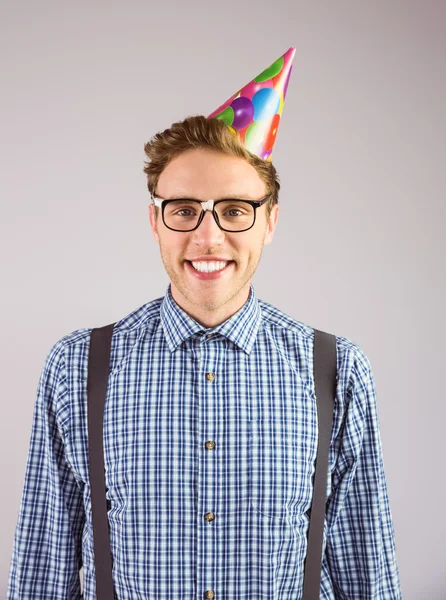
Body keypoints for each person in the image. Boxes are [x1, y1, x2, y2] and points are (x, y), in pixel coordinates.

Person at [6, 48, 402, 599]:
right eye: (184, 208)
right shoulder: (76, 367)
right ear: (155, 220)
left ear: (270, 222)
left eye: (235, 210)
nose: (208, 236)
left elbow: (369, 578)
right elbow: (39, 577)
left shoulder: (336, 372)